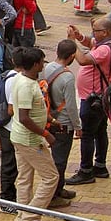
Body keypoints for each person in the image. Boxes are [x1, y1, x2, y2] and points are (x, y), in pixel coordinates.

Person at [66, 18, 111, 185]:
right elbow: (92, 43)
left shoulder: (104, 49)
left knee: (87, 134)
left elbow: (83, 60)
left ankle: (86, 171)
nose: (93, 33)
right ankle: (100, 166)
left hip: (93, 98)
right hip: (102, 96)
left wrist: (72, 43)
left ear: (104, 33)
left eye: (95, 30)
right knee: (100, 130)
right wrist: (79, 36)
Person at [11, 47, 61, 220]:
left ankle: (22, 214)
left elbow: (35, 110)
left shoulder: (22, 78)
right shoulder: (26, 85)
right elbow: (24, 117)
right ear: (35, 64)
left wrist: (51, 120)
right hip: (29, 140)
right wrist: (46, 134)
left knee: (24, 178)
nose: (43, 65)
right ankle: (28, 216)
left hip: (20, 138)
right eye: (41, 62)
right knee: (51, 177)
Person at [44, 39, 81, 206]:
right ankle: (52, 196)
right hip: (64, 123)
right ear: (72, 56)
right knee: (60, 160)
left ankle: (59, 188)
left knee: (57, 158)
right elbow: (72, 106)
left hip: (50, 119)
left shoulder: (47, 67)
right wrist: (78, 126)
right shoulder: (67, 77)